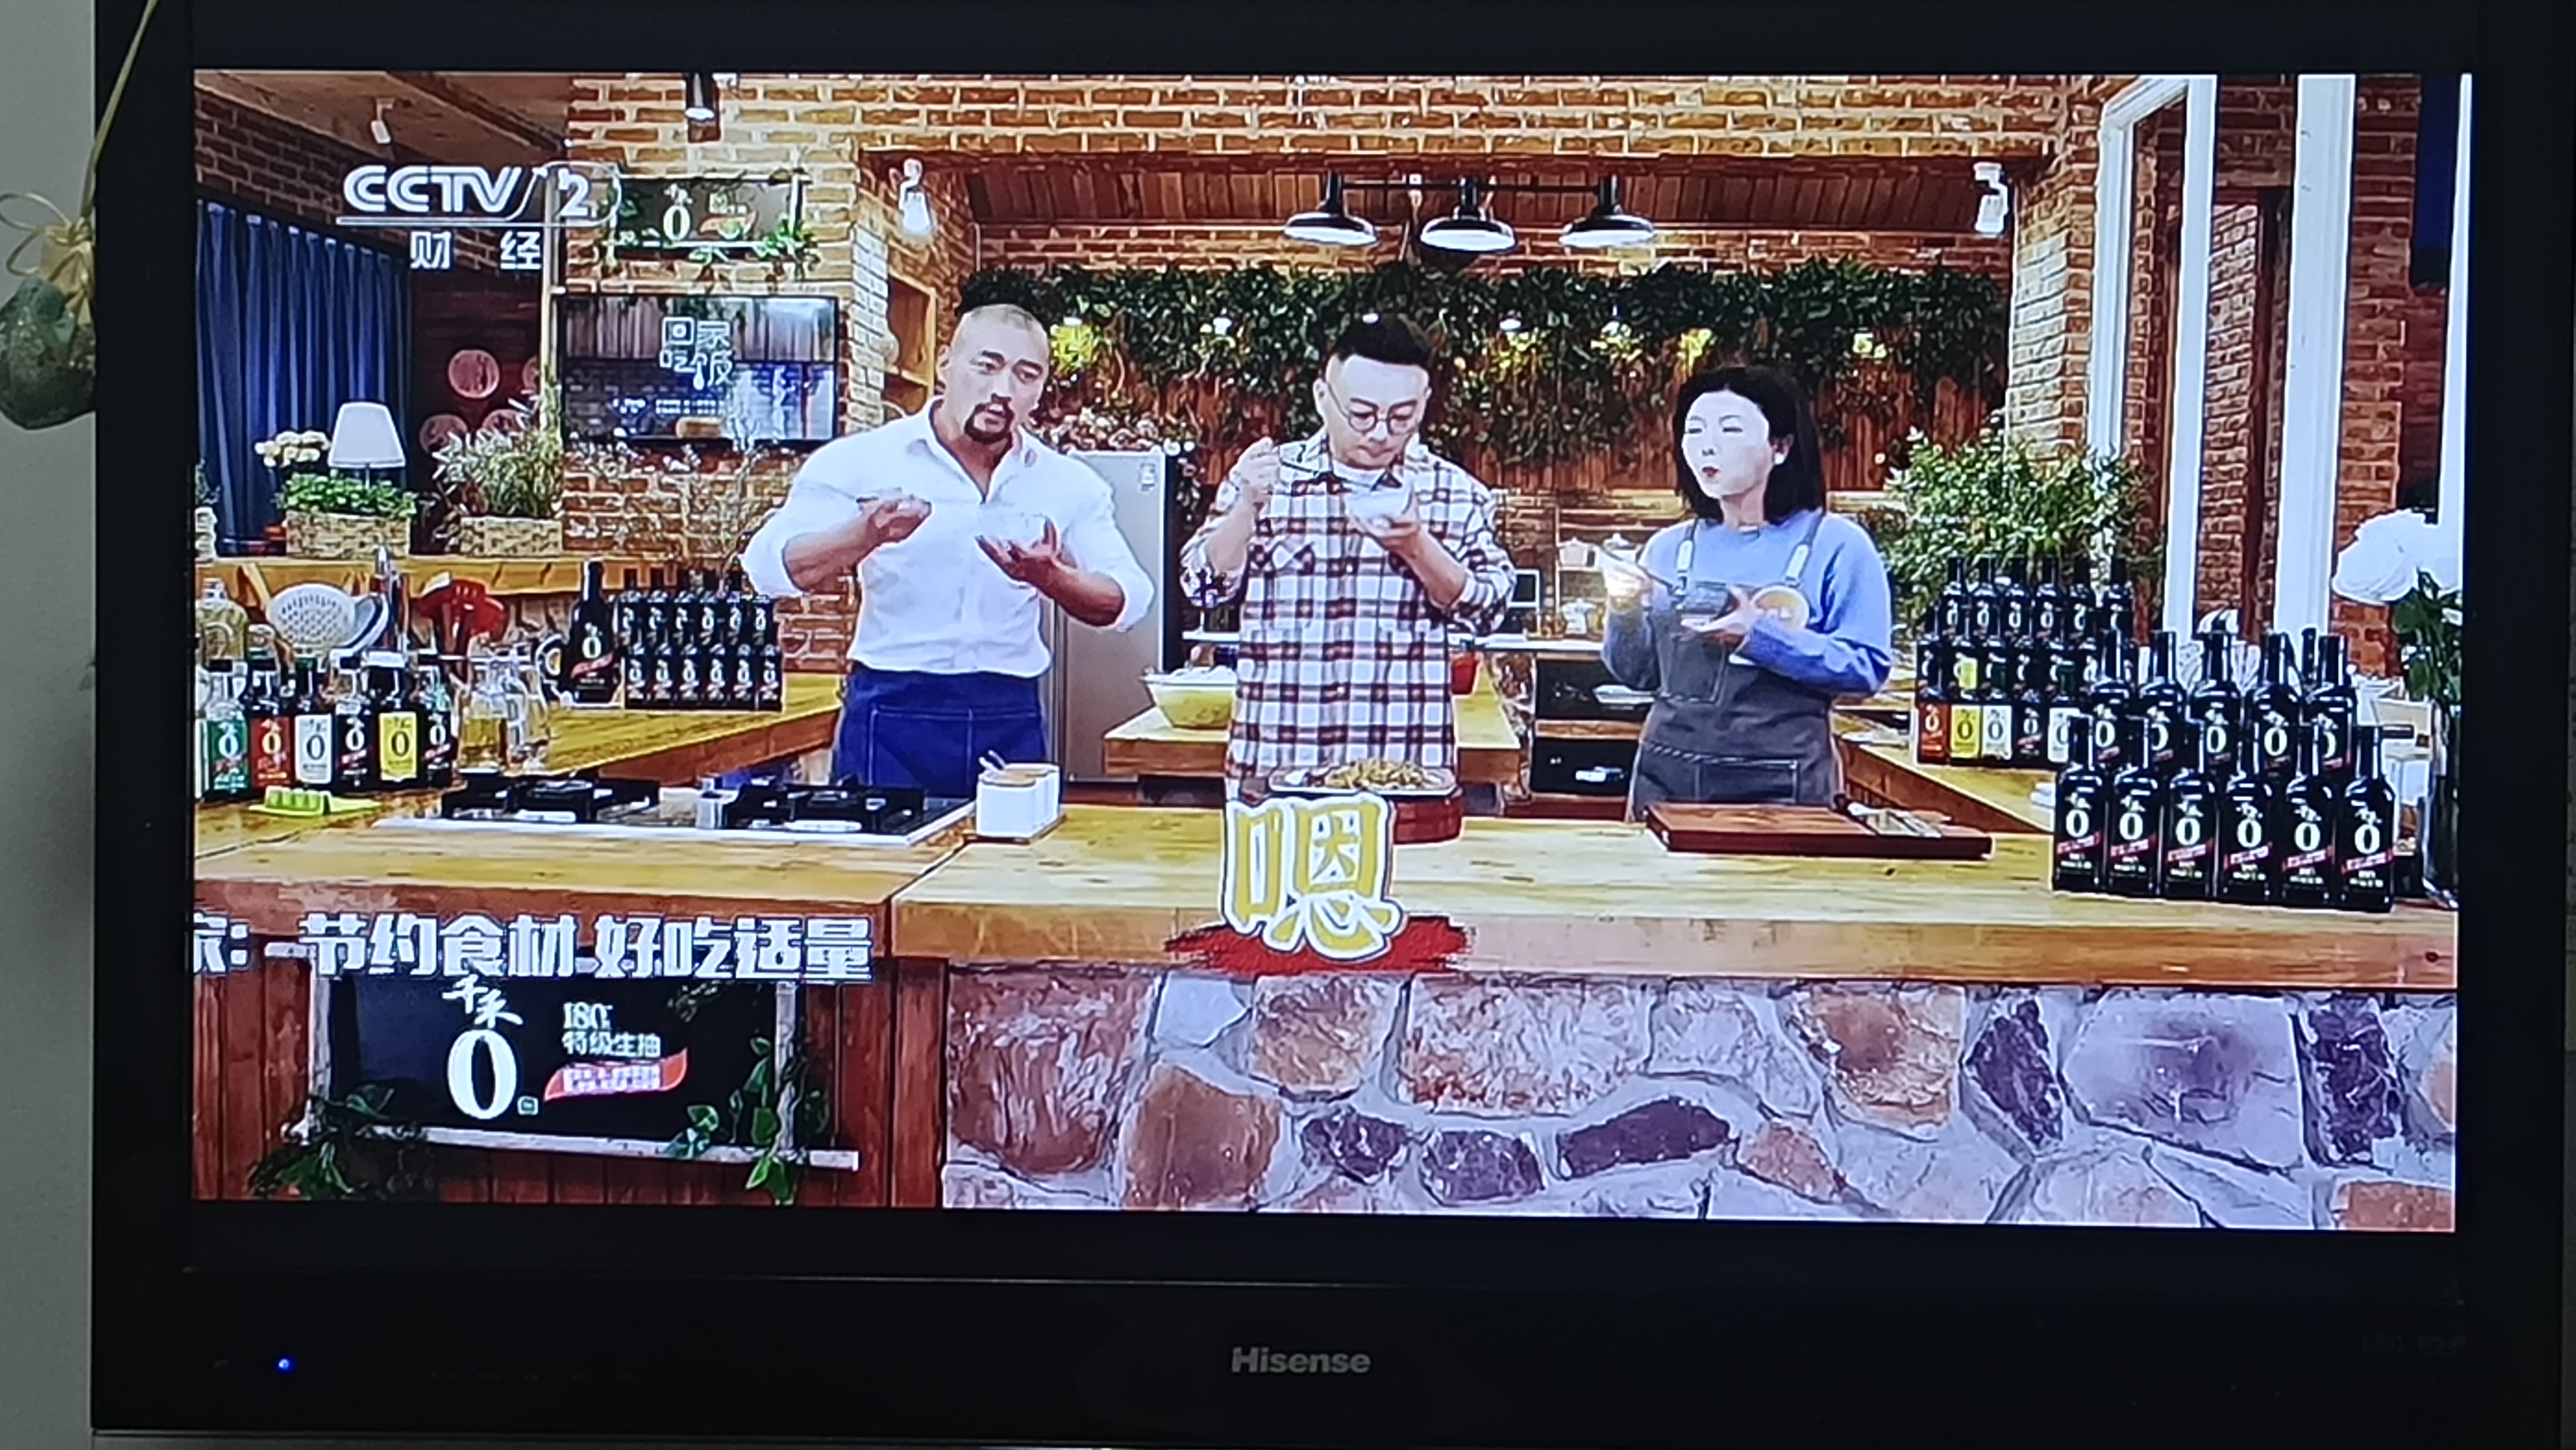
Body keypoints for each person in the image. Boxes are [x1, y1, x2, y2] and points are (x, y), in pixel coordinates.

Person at [739, 303, 1155, 797]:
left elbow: (1130, 599)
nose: (1003, 390)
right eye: (987, 366)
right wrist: (863, 535)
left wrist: (1051, 578)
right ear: (945, 365)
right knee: (879, 849)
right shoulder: (863, 460)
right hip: (889, 711)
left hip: (1009, 713)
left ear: (1041, 388)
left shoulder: (1067, 483)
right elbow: (767, 567)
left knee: (1012, 849)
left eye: (1026, 375)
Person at [1179, 312, 1515, 795]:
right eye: (1362, 414)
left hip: (1402, 772)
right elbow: (1202, 588)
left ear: (1424, 403)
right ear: (1323, 397)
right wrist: (1246, 508)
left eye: (1401, 417)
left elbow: (1489, 612)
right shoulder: (1269, 478)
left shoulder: (1454, 493)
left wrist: (1417, 547)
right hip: (1276, 767)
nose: (1380, 433)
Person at [1600, 365, 1892, 816]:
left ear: (1781, 447)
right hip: (1665, 782)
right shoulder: (1667, 547)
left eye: (1730, 429)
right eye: (1695, 431)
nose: (1707, 445)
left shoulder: (1837, 545)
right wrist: (1623, 610)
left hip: (1783, 789)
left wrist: (1759, 638)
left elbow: (1866, 668)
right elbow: (1636, 674)